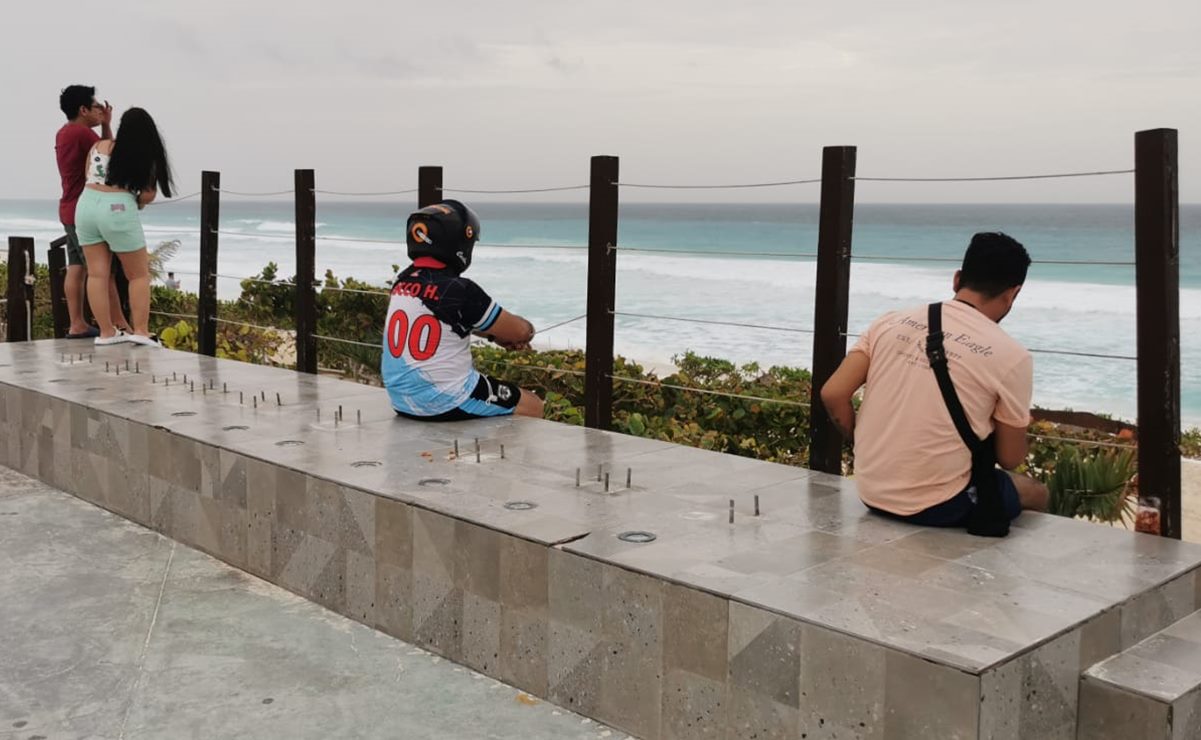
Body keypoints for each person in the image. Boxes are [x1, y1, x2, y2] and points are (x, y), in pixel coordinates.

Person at [820, 232, 1049, 530]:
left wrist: (862, 439)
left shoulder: (889, 321)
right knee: (1037, 492)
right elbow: (1010, 457)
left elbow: (833, 393)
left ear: (957, 280)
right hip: (940, 505)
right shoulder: (1012, 356)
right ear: (1012, 294)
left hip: (870, 490)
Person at [381, 200, 544, 420]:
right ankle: (504, 454)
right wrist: (528, 331)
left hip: (402, 401)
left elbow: (445, 319)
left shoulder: (402, 282)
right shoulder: (460, 290)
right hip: (446, 399)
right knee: (533, 406)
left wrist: (493, 336)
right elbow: (519, 332)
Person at [74, 107, 174, 347]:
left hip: (86, 205)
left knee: (97, 273)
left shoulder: (99, 147)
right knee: (138, 274)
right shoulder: (143, 155)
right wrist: (135, 201)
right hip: (117, 208)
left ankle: (106, 333)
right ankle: (141, 330)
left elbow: (88, 173)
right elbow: (148, 195)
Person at [55, 85, 131, 338]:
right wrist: (107, 125)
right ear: (83, 109)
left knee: (76, 267)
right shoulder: (82, 133)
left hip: (68, 207)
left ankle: (77, 323)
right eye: (96, 106)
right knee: (102, 270)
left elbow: (101, 150)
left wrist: (104, 124)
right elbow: (108, 154)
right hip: (86, 210)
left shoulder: (65, 132)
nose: (100, 110)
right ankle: (119, 325)